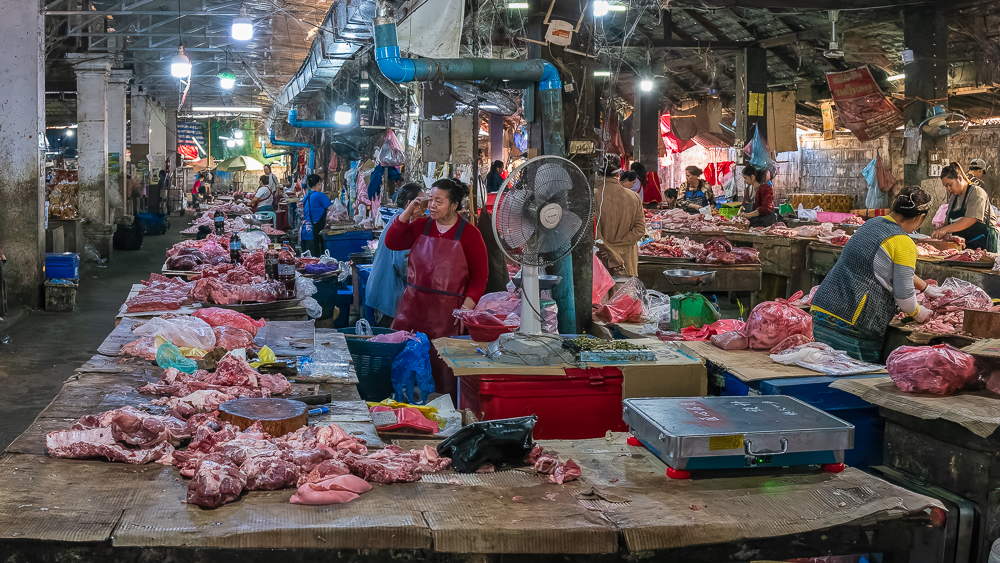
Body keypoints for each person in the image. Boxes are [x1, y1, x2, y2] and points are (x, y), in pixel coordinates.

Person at [385, 178, 489, 398]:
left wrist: (466, 308)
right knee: (404, 368)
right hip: (412, 309)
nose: (431, 205)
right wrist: (409, 211)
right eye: (430, 200)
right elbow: (392, 241)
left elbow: (480, 278)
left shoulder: (470, 234)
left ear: (453, 205)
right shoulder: (422, 225)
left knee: (442, 373)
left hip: (446, 316)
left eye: (438, 201)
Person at [810, 187, 934, 362]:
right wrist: (921, 313)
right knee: (850, 384)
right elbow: (906, 302)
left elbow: (883, 267)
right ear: (921, 218)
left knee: (818, 377)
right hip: (852, 326)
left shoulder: (872, 224)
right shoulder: (903, 242)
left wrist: (926, 287)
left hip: (820, 313)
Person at [367, 183, 423, 327]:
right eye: (423, 204)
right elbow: (401, 263)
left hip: (381, 291)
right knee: (388, 339)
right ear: (410, 204)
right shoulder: (403, 225)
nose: (426, 209)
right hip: (390, 294)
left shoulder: (396, 219)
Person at [595, 155, 645, 277]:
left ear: (598, 172)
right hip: (625, 263)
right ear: (620, 173)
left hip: (599, 263)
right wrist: (616, 250)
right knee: (625, 296)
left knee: (600, 296)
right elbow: (640, 230)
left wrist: (608, 250)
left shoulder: (592, 195)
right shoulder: (634, 197)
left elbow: (592, 231)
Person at [932, 162, 998, 251]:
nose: (948, 189)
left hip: (983, 243)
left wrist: (945, 229)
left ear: (959, 178)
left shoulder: (977, 193)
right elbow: (949, 220)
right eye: (946, 186)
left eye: (949, 185)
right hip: (964, 244)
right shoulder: (953, 197)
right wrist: (941, 231)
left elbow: (970, 219)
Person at [299, 174, 332, 257]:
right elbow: (333, 209)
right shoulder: (320, 195)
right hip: (313, 233)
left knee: (308, 261)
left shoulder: (306, 196)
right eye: (321, 183)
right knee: (315, 261)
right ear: (318, 184)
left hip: (304, 232)